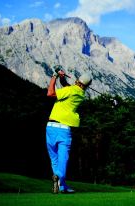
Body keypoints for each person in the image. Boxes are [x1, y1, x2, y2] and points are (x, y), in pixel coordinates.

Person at [46, 66, 91, 194]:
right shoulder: (79, 93)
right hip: (63, 130)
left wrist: (54, 76)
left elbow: (50, 93)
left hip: (50, 127)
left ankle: (60, 184)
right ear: (86, 86)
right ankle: (60, 180)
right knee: (63, 158)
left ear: (77, 80)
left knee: (54, 159)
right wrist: (62, 78)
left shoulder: (71, 90)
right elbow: (67, 86)